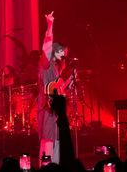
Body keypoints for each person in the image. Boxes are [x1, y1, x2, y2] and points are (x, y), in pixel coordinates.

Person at [38, 11, 72, 165]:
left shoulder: (57, 70)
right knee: (49, 147)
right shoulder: (46, 65)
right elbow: (46, 48)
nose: (64, 57)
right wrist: (50, 26)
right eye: (62, 54)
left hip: (57, 116)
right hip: (48, 113)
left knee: (57, 146)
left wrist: (69, 81)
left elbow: (58, 90)